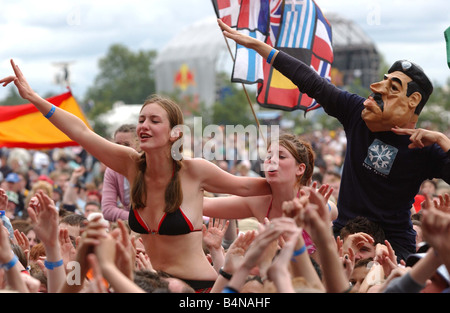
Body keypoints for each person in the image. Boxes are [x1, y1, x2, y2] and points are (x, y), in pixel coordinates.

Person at [0, 62, 271, 292]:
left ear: (175, 132)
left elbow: (248, 187)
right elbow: (81, 133)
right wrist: (33, 97)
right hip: (148, 283)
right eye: (142, 119)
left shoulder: (194, 170)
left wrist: (287, 177)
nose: (144, 126)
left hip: (198, 286)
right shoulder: (131, 164)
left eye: (155, 121)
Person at [217, 18, 450, 262]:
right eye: (383, 80)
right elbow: (311, 81)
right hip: (344, 233)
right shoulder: (356, 112)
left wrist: (444, 142)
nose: (376, 89)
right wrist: (260, 47)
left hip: (394, 242)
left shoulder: (427, 147)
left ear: (412, 101)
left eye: (392, 87)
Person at [204, 132, 338, 264]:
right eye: (268, 156)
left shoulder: (309, 197)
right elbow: (204, 205)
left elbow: (333, 211)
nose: (271, 160)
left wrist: (320, 210)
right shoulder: (258, 201)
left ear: (300, 169)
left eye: (281, 156)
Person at [101, 124, 139, 222]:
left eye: (127, 145)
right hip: (131, 225)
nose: (121, 149)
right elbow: (107, 210)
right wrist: (136, 219)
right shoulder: (112, 170)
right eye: (117, 144)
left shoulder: (151, 166)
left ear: (138, 146)